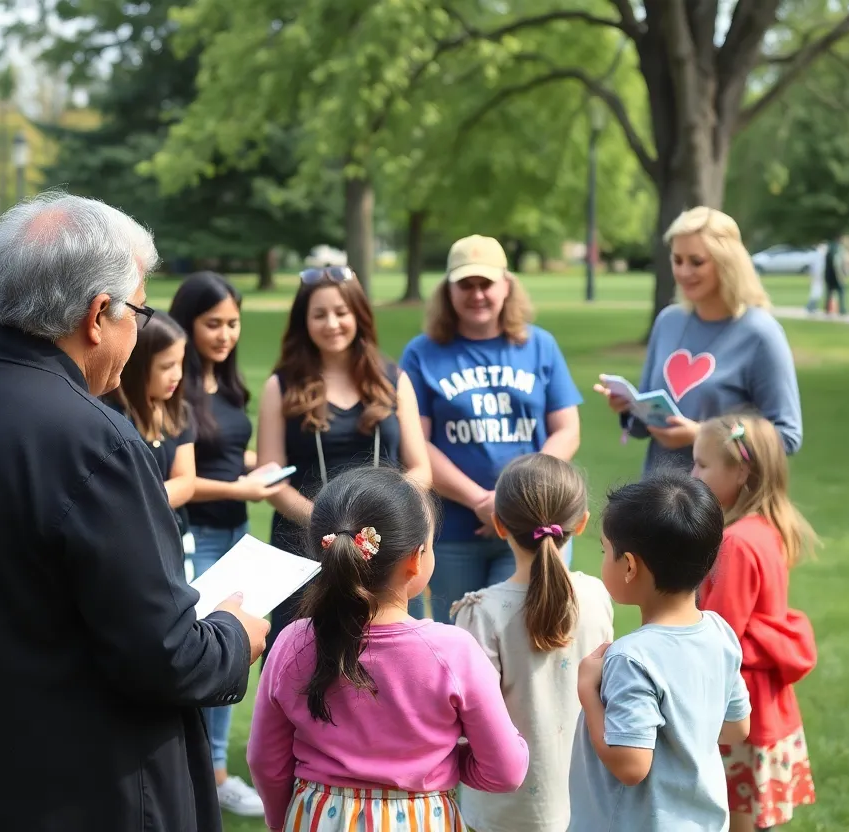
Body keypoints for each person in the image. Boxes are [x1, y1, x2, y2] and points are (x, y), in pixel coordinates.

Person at [0, 193, 270, 832]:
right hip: (69, 795)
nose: (137, 331)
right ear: (98, 314)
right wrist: (236, 633)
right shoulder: (96, 442)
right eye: (139, 311)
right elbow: (167, 656)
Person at [247, 466, 530, 832]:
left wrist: (282, 820)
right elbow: (505, 771)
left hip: (314, 817)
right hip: (421, 819)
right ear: (415, 559)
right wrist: (444, 761)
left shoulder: (292, 641)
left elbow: (265, 760)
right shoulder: (453, 651)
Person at [400, 234, 583, 623]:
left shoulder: (539, 345)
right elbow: (418, 442)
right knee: (461, 637)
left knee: (525, 635)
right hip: (454, 531)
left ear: (507, 286)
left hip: (531, 522)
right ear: (448, 290)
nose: (477, 294)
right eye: (465, 284)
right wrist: (481, 502)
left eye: (486, 283)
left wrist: (512, 495)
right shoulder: (422, 352)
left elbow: (567, 430)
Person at [257, 266, 431, 659]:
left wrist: (385, 517)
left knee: (395, 663)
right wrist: (328, 523)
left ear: (359, 315)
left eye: (341, 312)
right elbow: (272, 478)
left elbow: (420, 469)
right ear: (304, 321)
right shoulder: (281, 386)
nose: (332, 323)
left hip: (385, 549)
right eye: (319, 314)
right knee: (303, 665)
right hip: (305, 552)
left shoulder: (393, 379)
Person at [569, 472, 751, 832]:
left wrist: (588, 694)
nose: (604, 557)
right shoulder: (719, 632)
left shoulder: (630, 659)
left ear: (630, 567)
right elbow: (736, 728)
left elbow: (630, 766)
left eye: (606, 550)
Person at [167, 270, 282, 817]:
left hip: (239, 533)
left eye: (233, 323)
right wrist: (242, 486)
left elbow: (232, 455)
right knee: (211, 653)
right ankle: (208, 773)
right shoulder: (172, 387)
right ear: (186, 323)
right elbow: (180, 475)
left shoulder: (229, 385)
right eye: (212, 324)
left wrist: (268, 468)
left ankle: (213, 768)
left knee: (238, 653)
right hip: (199, 538)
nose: (225, 334)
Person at [452, 453, 614, 832]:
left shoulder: (481, 612)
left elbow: (470, 719)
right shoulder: (595, 596)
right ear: (582, 522)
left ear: (499, 525)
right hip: (586, 799)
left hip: (502, 808)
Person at [593, 207, 803, 476]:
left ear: (727, 263)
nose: (683, 271)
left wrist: (702, 435)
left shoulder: (761, 333)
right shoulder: (668, 321)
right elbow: (645, 425)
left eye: (696, 261)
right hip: (657, 501)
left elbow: (786, 436)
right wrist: (630, 409)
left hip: (721, 508)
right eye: (677, 260)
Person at [692, 415, 819, 831]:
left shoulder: (737, 543)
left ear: (741, 471)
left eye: (702, 465)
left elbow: (719, 634)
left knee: (734, 821)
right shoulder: (767, 529)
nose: (693, 474)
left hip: (739, 710)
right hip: (767, 705)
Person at [101, 310, 196, 549]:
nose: (178, 375)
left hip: (175, 541)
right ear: (137, 366)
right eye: (167, 366)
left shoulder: (178, 412)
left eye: (180, 363)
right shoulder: (110, 417)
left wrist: (140, 498)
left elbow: (186, 482)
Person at [823, 236, 848, 316]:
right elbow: (838, 263)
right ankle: (842, 309)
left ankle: (827, 308)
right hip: (836, 275)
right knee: (841, 292)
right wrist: (842, 274)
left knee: (829, 292)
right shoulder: (838, 249)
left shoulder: (829, 249)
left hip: (828, 275)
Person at [803, 242, 826, 314]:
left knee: (817, 292)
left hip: (818, 277)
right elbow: (816, 269)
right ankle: (810, 307)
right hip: (817, 277)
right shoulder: (818, 256)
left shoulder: (818, 256)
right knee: (816, 292)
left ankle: (813, 307)